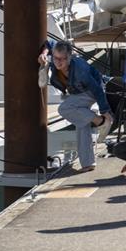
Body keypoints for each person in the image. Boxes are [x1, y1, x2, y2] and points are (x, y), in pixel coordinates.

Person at [38, 41, 112, 172]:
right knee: (81, 123)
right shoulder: (55, 59)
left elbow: (97, 89)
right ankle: (88, 163)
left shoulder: (80, 69)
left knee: (64, 109)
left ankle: (100, 121)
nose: (58, 62)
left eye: (62, 59)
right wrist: (44, 53)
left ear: (70, 57)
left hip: (90, 90)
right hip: (77, 92)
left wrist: (105, 112)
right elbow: (48, 43)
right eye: (55, 58)